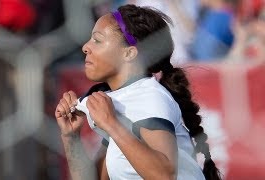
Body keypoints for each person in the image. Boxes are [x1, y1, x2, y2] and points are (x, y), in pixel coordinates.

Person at [55, 4, 222, 180]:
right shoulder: (121, 102)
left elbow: (165, 175)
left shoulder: (151, 97)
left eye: (97, 40)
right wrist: (71, 137)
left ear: (129, 53)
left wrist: (111, 125)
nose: (85, 47)